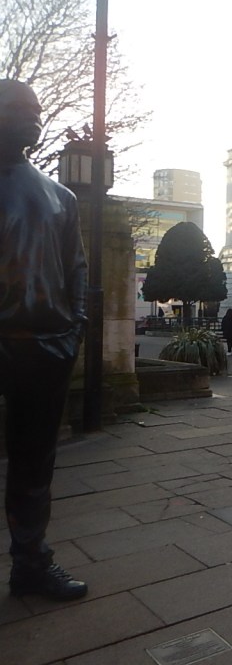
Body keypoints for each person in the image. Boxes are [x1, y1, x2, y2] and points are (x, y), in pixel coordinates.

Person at [0, 79, 89, 601]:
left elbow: (77, 268)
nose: (31, 116)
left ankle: (31, 564)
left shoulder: (61, 197)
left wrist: (73, 329)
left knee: (35, 465)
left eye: (36, 109)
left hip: (46, 345)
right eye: (18, 107)